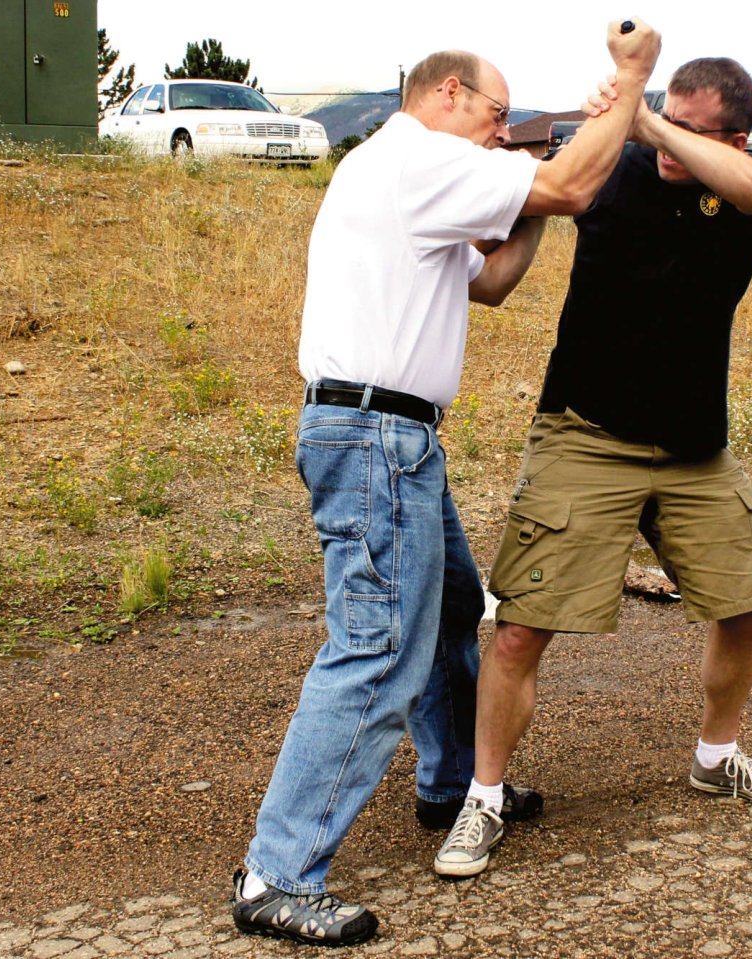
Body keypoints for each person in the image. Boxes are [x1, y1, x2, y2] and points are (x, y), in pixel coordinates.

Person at [231, 23, 662, 948]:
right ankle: (277, 870)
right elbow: (577, 182)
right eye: (496, 116)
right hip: (375, 433)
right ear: (448, 95)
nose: (501, 135)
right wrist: (629, 82)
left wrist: (533, 195)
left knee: (453, 604)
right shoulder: (419, 157)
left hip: (394, 437)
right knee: (378, 648)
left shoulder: (411, 177)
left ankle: (449, 783)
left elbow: (495, 278)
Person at [434, 57, 752, 880]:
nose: (665, 140)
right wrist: (617, 125)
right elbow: (528, 197)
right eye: (663, 116)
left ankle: (716, 758)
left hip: (692, 446)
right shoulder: (616, 165)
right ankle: (482, 798)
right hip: (584, 432)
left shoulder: (749, 192)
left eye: (689, 128)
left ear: (736, 139)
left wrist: (643, 119)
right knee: (523, 625)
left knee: (748, 604)